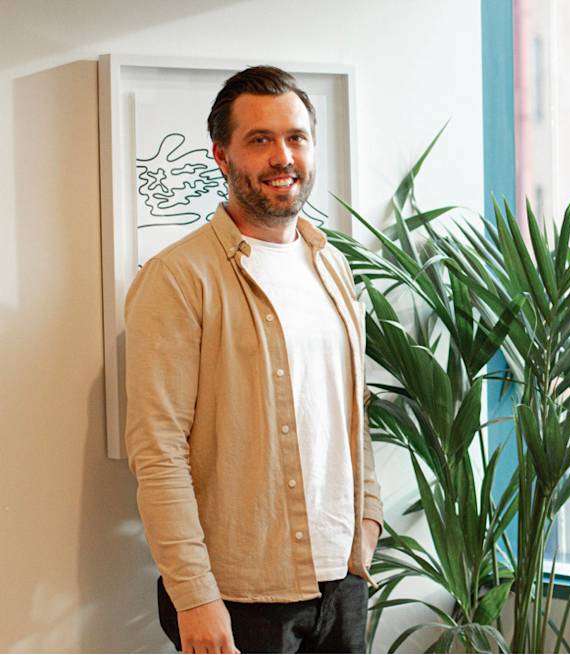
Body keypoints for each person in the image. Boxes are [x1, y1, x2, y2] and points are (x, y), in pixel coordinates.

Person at [125, 66, 383, 654]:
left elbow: (354, 412)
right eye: (259, 140)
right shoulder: (178, 279)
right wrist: (194, 596)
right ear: (221, 155)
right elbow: (158, 450)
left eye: (295, 137)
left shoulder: (333, 267)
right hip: (239, 593)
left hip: (342, 578)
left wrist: (367, 520)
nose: (282, 156)